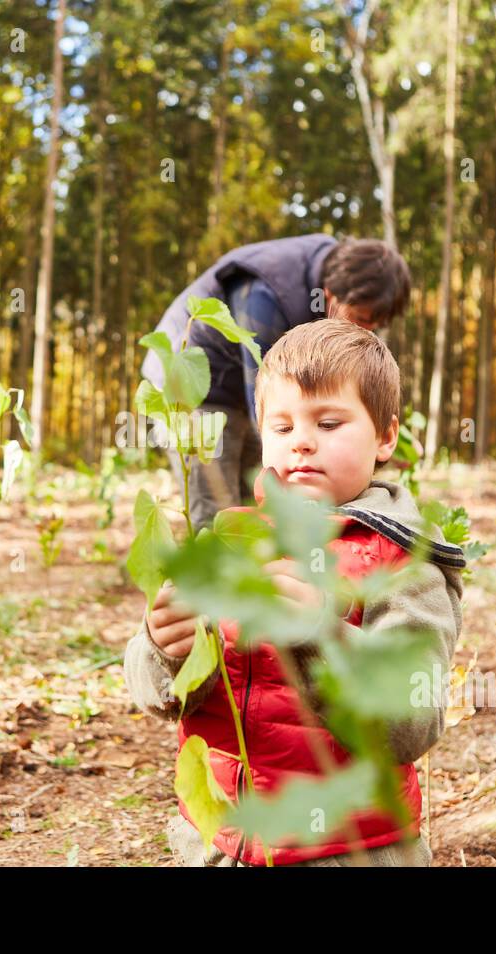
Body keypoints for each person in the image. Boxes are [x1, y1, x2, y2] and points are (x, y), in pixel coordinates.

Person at [124, 318, 464, 866]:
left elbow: (413, 724)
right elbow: (154, 694)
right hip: (219, 845)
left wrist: (320, 637)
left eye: (328, 422)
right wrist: (164, 648)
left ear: (385, 436)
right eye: (280, 428)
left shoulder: (402, 560)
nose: (301, 441)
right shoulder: (234, 541)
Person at [142, 234, 411, 531]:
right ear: (331, 293)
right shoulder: (267, 295)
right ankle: (216, 572)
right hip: (187, 380)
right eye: (359, 318)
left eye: (374, 325)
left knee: (254, 501)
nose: (361, 330)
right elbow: (267, 407)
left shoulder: (327, 270)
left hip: (235, 383)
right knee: (216, 506)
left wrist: (372, 435)